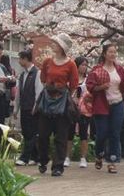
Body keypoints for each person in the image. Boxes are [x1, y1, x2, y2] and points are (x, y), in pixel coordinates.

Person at [37, 33, 79, 177]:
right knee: (42, 134)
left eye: (56, 43)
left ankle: (58, 166)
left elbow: (74, 85)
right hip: (47, 99)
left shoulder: (71, 64)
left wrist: (62, 92)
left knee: (61, 136)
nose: (53, 44)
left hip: (62, 102)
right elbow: (43, 78)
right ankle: (43, 160)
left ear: (62, 47)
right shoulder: (47, 61)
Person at [86, 42, 124, 174]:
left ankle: (112, 161)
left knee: (115, 133)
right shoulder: (97, 69)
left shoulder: (120, 69)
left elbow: (123, 85)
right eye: (110, 52)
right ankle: (99, 154)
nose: (113, 54)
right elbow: (90, 87)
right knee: (102, 134)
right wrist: (100, 87)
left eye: (115, 52)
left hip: (118, 104)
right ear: (104, 54)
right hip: (102, 105)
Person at [14, 49, 42, 166]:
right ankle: (36, 157)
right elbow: (18, 93)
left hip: (32, 108)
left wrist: (36, 106)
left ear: (25, 59)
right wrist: (16, 109)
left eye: (20, 58)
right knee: (27, 133)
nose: (19, 61)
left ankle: (24, 157)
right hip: (24, 107)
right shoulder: (22, 74)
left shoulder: (37, 73)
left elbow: (38, 91)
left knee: (32, 132)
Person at [65, 56, 91, 168]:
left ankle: (83, 158)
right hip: (71, 108)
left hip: (84, 109)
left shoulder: (88, 79)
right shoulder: (70, 78)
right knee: (69, 133)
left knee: (84, 134)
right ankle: (67, 157)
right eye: (82, 65)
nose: (84, 67)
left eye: (86, 65)